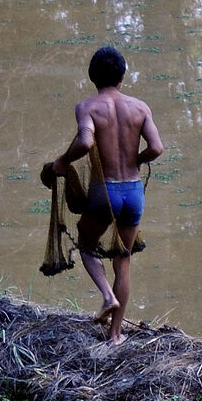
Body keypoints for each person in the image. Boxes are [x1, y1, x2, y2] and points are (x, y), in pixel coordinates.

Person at [44, 46, 163, 344]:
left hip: (104, 192)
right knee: (122, 261)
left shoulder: (88, 107)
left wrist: (62, 161)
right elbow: (157, 148)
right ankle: (115, 335)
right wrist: (137, 160)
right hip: (133, 192)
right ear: (122, 76)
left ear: (92, 77)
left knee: (87, 243)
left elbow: (85, 141)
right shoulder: (140, 107)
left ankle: (107, 295)